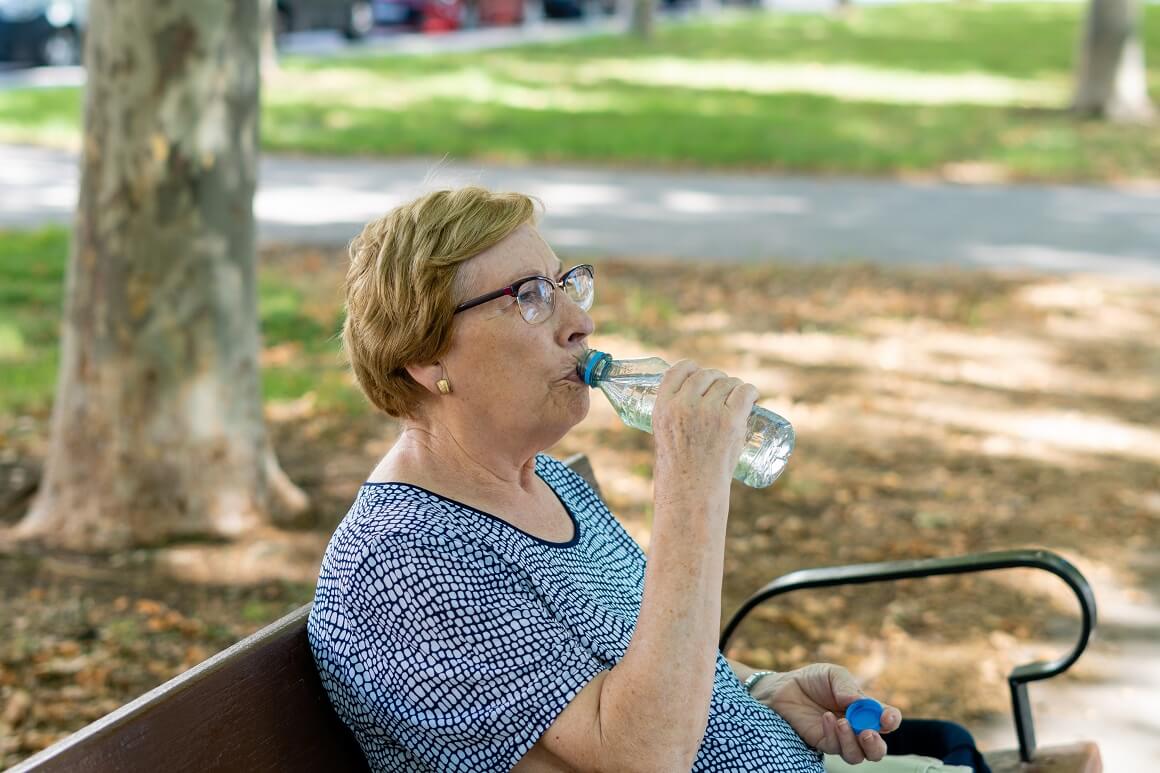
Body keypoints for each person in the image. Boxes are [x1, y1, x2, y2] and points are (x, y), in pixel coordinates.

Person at [306, 187, 983, 773]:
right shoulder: (403, 563)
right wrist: (691, 486)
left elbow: (625, 664)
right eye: (531, 297)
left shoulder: (543, 484)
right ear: (425, 356)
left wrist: (764, 688)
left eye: (566, 284)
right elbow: (642, 756)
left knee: (964, 745)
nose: (581, 322)